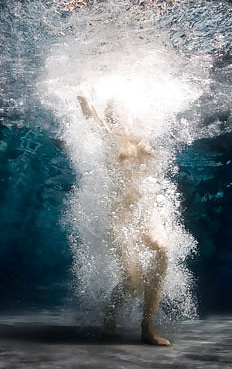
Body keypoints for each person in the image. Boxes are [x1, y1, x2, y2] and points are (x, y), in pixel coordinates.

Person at [77, 94, 171, 346]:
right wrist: (84, 99)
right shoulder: (109, 137)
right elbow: (92, 119)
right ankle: (111, 314)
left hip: (146, 212)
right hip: (121, 217)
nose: (118, 119)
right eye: (112, 115)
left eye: (120, 113)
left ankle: (147, 328)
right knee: (133, 282)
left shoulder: (145, 138)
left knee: (162, 251)